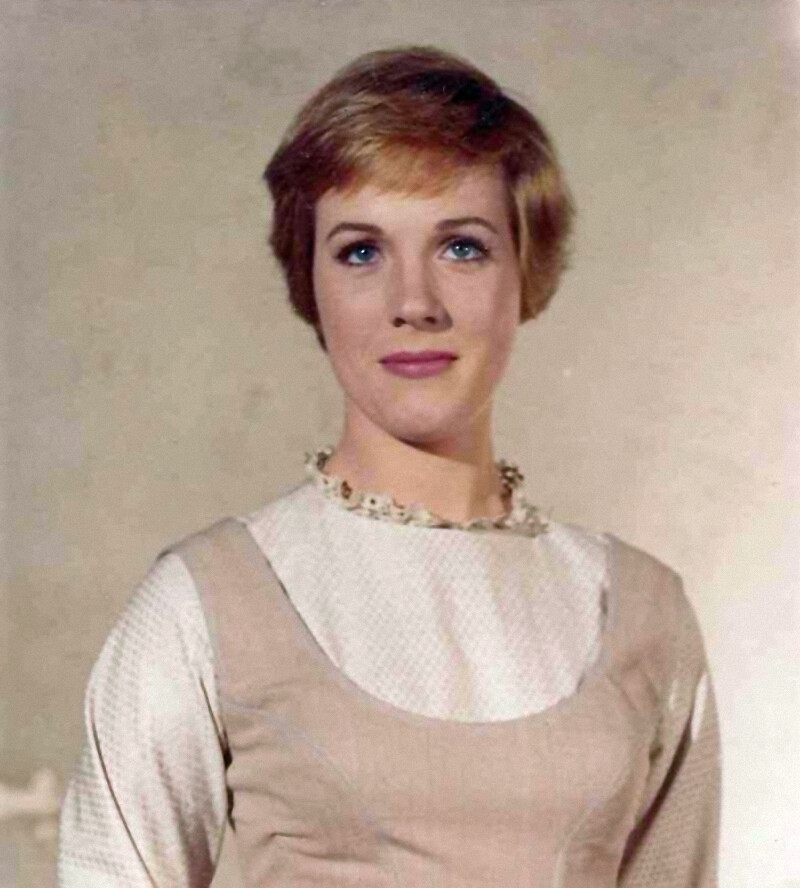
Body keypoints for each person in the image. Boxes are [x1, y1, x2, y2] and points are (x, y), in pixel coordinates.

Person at [57, 45, 721, 887]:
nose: (414, 303)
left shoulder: (645, 612)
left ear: (526, 273)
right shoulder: (204, 601)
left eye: (462, 248)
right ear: (309, 283)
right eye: (361, 252)